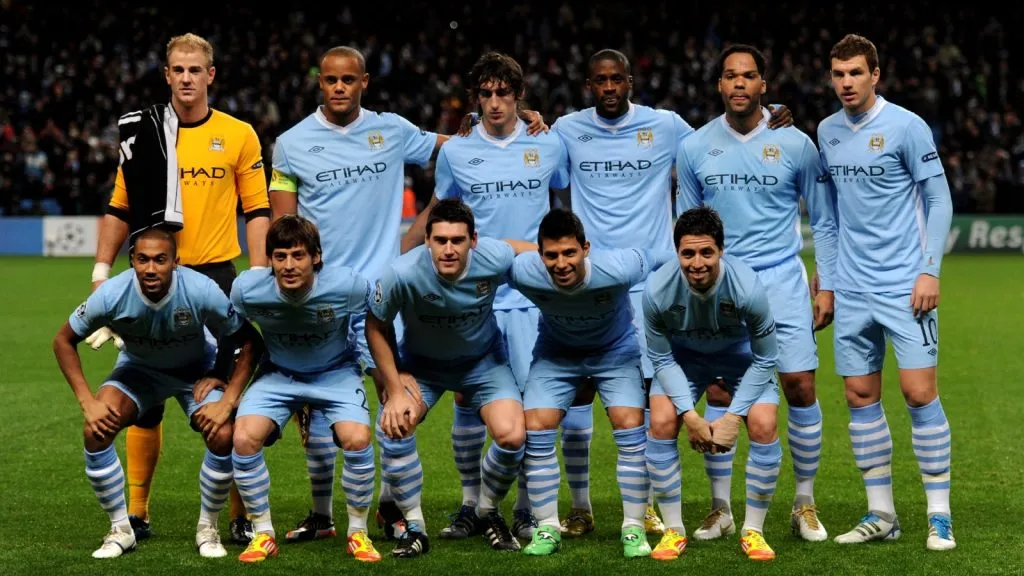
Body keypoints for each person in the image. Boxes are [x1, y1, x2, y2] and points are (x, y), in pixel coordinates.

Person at [268, 46, 546, 541]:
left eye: (348, 79)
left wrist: (517, 118)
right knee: (313, 409)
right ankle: (321, 513)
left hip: (381, 292)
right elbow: (284, 227)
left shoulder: (391, 130)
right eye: (329, 79)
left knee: (391, 400)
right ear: (319, 84)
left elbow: (457, 144)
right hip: (321, 294)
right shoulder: (291, 144)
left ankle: (391, 507)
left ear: (364, 82)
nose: (338, 87)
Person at [549, 48, 793, 536]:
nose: (610, 88)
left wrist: (770, 118)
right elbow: (518, 145)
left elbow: (721, 139)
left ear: (632, 81)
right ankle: (581, 505)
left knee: (649, 401)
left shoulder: (667, 126)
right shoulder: (564, 130)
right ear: (588, 86)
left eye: (617, 79)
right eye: (600, 81)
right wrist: (488, 118)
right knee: (579, 393)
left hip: (659, 279)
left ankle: (665, 507)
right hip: (590, 280)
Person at [87, 32, 270, 543]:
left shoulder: (239, 134)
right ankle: (138, 512)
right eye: (178, 70)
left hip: (216, 278)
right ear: (166, 75)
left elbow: (256, 209)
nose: (186, 78)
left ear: (211, 76)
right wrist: (102, 272)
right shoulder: (145, 134)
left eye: (196, 70)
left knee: (230, 397)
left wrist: (255, 275)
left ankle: (237, 513)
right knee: (146, 393)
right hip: (153, 279)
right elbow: (120, 206)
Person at [401, 51, 569, 541]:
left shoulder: (548, 145)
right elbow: (443, 210)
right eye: (487, 94)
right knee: (466, 398)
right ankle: (471, 503)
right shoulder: (456, 151)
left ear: (519, 96)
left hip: (531, 295)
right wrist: (405, 253)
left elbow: (560, 198)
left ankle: (517, 505)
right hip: (473, 294)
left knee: (523, 406)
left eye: (504, 93)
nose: (495, 102)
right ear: (477, 99)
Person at [674, 44, 838, 542]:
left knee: (799, 387)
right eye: (729, 76)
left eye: (748, 76)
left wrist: (825, 282)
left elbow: (824, 219)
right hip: (720, 284)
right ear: (719, 85)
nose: (739, 84)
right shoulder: (696, 147)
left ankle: (804, 504)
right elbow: (684, 227)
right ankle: (721, 510)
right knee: (722, 390)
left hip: (781, 280)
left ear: (764, 84)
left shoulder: (795, 143)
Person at [817, 34, 954, 551]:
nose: (846, 83)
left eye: (855, 72)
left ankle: (939, 513)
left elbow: (938, 199)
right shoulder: (827, 132)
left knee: (919, 393)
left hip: (904, 284)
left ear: (876, 74)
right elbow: (826, 220)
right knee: (859, 396)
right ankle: (882, 512)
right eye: (838, 74)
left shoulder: (906, 126)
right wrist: (827, 283)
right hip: (851, 288)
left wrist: (929, 270)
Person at [53, 228, 262, 559]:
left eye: (160, 260)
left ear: (175, 262)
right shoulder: (112, 295)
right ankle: (121, 529)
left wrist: (228, 400)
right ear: (133, 261)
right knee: (95, 430)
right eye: (143, 260)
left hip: (196, 371)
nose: (151, 268)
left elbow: (249, 340)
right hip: (139, 372)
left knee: (222, 434)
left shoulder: (201, 289)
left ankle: (208, 528)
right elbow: (63, 340)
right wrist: (87, 402)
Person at [366, 199, 534, 557]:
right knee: (395, 425)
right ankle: (415, 528)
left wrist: (566, 256)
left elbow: (527, 250)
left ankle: (486, 511)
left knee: (512, 435)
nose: (448, 249)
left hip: (484, 363)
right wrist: (395, 387)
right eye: (440, 240)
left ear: (473, 240)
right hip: (423, 366)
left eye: (457, 240)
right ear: (426, 240)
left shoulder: (493, 256)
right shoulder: (402, 272)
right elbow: (375, 326)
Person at [508, 208, 672, 558]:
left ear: (586, 248)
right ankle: (548, 528)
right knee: (536, 427)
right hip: (557, 353)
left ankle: (632, 528)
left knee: (629, 423)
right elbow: (491, 254)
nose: (561, 263)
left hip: (615, 351)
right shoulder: (525, 271)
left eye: (569, 253)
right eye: (551, 255)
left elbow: (660, 258)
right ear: (539, 255)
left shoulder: (620, 267)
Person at [229, 215, 380, 563]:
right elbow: (232, 330)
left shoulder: (348, 285)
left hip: (335, 372)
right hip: (279, 374)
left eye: (298, 255)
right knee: (243, 438)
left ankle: (358, 532)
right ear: (269, 260)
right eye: (280, 256)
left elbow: (375, 321)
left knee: (357, 438)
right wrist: (222, 381)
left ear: (316, 257)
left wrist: (383, 375)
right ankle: (263, 533)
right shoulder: (248, 289)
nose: (289, 265)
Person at [644, 206, 782, 561]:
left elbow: (766, 357)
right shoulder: (657, 290)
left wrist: (733, 418)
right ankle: (674, 531)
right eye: (687, 253)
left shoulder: (748, 288)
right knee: (660, 422)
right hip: (686, 360)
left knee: (764, 425)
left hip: (740, 359)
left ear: (721, 250)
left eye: (706, 252)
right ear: (677, 253)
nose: (697, 262)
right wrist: (690, 416)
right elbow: (661, 358)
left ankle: (753, 531)